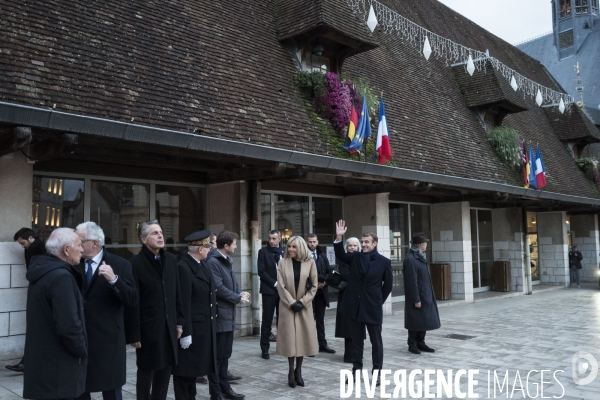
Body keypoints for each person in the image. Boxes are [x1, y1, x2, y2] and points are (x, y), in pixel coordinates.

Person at [74, 222, 138, 400]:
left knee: (111, 390)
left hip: (108, 341)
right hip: (80, 338)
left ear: (94, 243)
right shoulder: (73, 263)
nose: (76, 246)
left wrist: (114, 280)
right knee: (79, 389)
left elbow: (132, 299)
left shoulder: (120, 264)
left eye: (80, 241)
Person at [23, 228, 87, 400]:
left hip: (44, 367)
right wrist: (83, 351)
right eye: (79, 245)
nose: (82, 250)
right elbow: (69, 327)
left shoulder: (43, 272)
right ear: (66, 250)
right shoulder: (61, 278)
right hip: (59, 369)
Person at [125, 220, 184, 400]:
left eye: (160, 232)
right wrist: (134, 335)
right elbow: (132, 303)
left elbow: (176, 293)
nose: (160, 236)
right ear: (143, 239)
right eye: (154, 233)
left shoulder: (172, 260)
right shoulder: (134, 264)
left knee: (165, 370)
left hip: (169, 326)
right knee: (146, 371)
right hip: (148, 328)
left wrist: (179, 322)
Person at [334, 220, 393, 385]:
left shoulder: (384, 262)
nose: (363, 244)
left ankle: (377, 374)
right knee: (357, 342)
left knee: (376, 342)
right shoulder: (356, 257)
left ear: (374, 243)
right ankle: (356, 372)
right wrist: (339, 237)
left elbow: (387, 286)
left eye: (367, 242)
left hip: (372, 308)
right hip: (355, 307)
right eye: (362, 242)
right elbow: (341, 255)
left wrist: (377, 300)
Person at [172, 230, 217, 400]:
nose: (209, 249)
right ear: (200, 249)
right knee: (185, 373)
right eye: (208, 246)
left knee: (193, 373)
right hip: (192, 330)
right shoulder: (184, 267)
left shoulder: (200, 263)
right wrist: (186, 331)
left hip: (202, 328)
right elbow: (184, 303)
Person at [206, 231, 248, 400]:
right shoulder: (213, 262)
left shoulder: (227, 261)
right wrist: (237, 297)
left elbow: (233, 283)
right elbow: (218, 287)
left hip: (229, 315)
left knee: (225, 355)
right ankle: (215, 392)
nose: (236, 246)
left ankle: (225, 388)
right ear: (226, 246)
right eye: (234, 244)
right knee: (216, 357)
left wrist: (241, 292)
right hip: (219, 315)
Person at [275, 236, 318, 388]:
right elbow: (280, 286)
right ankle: (290, 371)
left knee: (302, 339)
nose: (291, 249)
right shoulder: (282, 262)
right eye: (289, 247)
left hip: (304, 307)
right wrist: (292, 302)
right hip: (287, 307)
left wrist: (303, 302)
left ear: (300, 248)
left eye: (294, 247)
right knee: (289, 340)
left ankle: (298, 370)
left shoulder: (310, 262)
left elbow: (314, 286)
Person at [6, 228, 46, 373]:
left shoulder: (39, 248)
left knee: (36, 328)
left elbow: (35, 270)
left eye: (23, 243)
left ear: (30, 238)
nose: (22, 246)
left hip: (39, 291)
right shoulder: (35, 247)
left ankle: (27, 362)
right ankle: (27, 362)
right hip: (37, 289)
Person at [403, 232, 440, 354]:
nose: (426, 246)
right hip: (418, 295)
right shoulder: (410, 259)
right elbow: (411, 281)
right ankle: (412, 344)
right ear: (420, 245)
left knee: (424, 319)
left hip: (425, 294)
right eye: (425, 244)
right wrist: (416, 299)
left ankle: (421, 342)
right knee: (415, 320)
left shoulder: (420, 256)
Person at [333, 237, 363, 363]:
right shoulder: (344, 259)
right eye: (350, 245)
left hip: (359, 297)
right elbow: (344, 274)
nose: (352, 248)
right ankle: (349, 355)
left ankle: (357, 354)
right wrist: (359, 277)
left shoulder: (362, 258)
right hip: (346, 296)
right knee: (348, 328)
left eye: (354, 246)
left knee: (358, 328)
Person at [306, 233, 335, 354]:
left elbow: (329, 271)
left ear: (317, 242)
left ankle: (322, 344)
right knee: (307, 321)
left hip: (321, 292)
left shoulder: (322, 256)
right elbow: (301, 275)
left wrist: (324, 282)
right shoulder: (303, 257)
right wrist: (312, 285)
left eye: (314, 242)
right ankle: (309, 346)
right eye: (310, 242)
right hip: (308, 293)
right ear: (307, 243)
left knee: (320, 320)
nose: (312, 244)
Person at [258, 229, 283, 359]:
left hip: (284, 291)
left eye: (274, 238)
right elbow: (261, 271)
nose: (271, 241)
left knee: (282, 319)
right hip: (269, 290)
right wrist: (275, 283)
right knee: (267, 319)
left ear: (280, 238)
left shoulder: (285, 252)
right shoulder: (263, 252)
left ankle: (283, 346)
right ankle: (265, 348)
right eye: (270, 238)